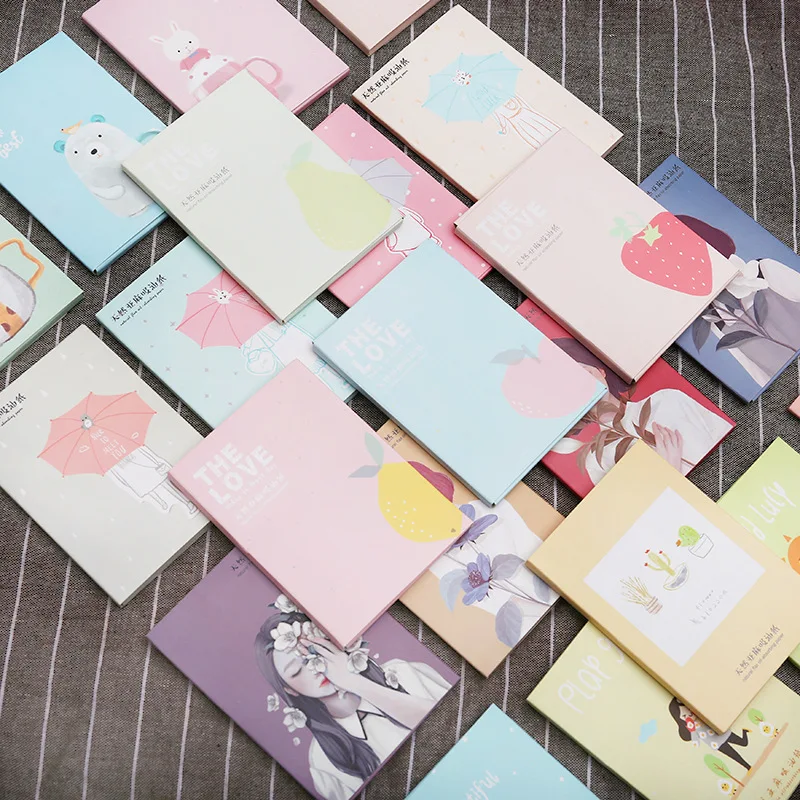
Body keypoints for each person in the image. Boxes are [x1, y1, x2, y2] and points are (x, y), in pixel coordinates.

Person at [254, 601, 451, 800]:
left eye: (315, 650)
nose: (314, 666)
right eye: (297, 671)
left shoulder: (401, 673)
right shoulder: (322, 760)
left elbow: (449, 718)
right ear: (289, 689)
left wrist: (354, 682)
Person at [551, 338, 730, 485]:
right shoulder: (598, 460)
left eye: (585, 371)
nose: (585, 383)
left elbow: (727, 441)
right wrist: (668, 472)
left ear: (601, 371)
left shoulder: (667, 399)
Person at [668, 698, 751, 770]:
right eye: (684, 716)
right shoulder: (692, 728)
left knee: (743, 743)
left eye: (690, 712)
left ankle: (744, 732)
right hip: (715, 742)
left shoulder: (702, 715)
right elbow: (694, 742)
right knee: (733, 755)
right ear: (680, 718)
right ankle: (747, 766)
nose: (689, 716)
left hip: (722, 732)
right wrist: (692, 730)